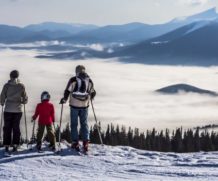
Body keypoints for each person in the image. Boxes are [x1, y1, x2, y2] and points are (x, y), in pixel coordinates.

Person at [60, 65, 96, 152]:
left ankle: (75, 142)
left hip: (74, 105)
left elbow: (67, 91)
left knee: (74, 124)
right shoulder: (89, 80)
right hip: (85, 106)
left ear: (76, 71)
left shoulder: (73, 80)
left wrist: (64, 99)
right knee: (84, 124)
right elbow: (93, 92)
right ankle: (85, 142)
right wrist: (90, 97)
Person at [0, 70, 28, 154]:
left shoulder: (6, 86)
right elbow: (25, 99)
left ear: (10, 76)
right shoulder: (21, 86)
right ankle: (16, 145)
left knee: (7, 127)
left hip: (8, 109)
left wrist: (2, 103)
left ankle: (7, 145)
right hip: (18, 110)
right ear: (17, 76)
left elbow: (2, 96)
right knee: (16, 127)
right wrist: (23, 102)